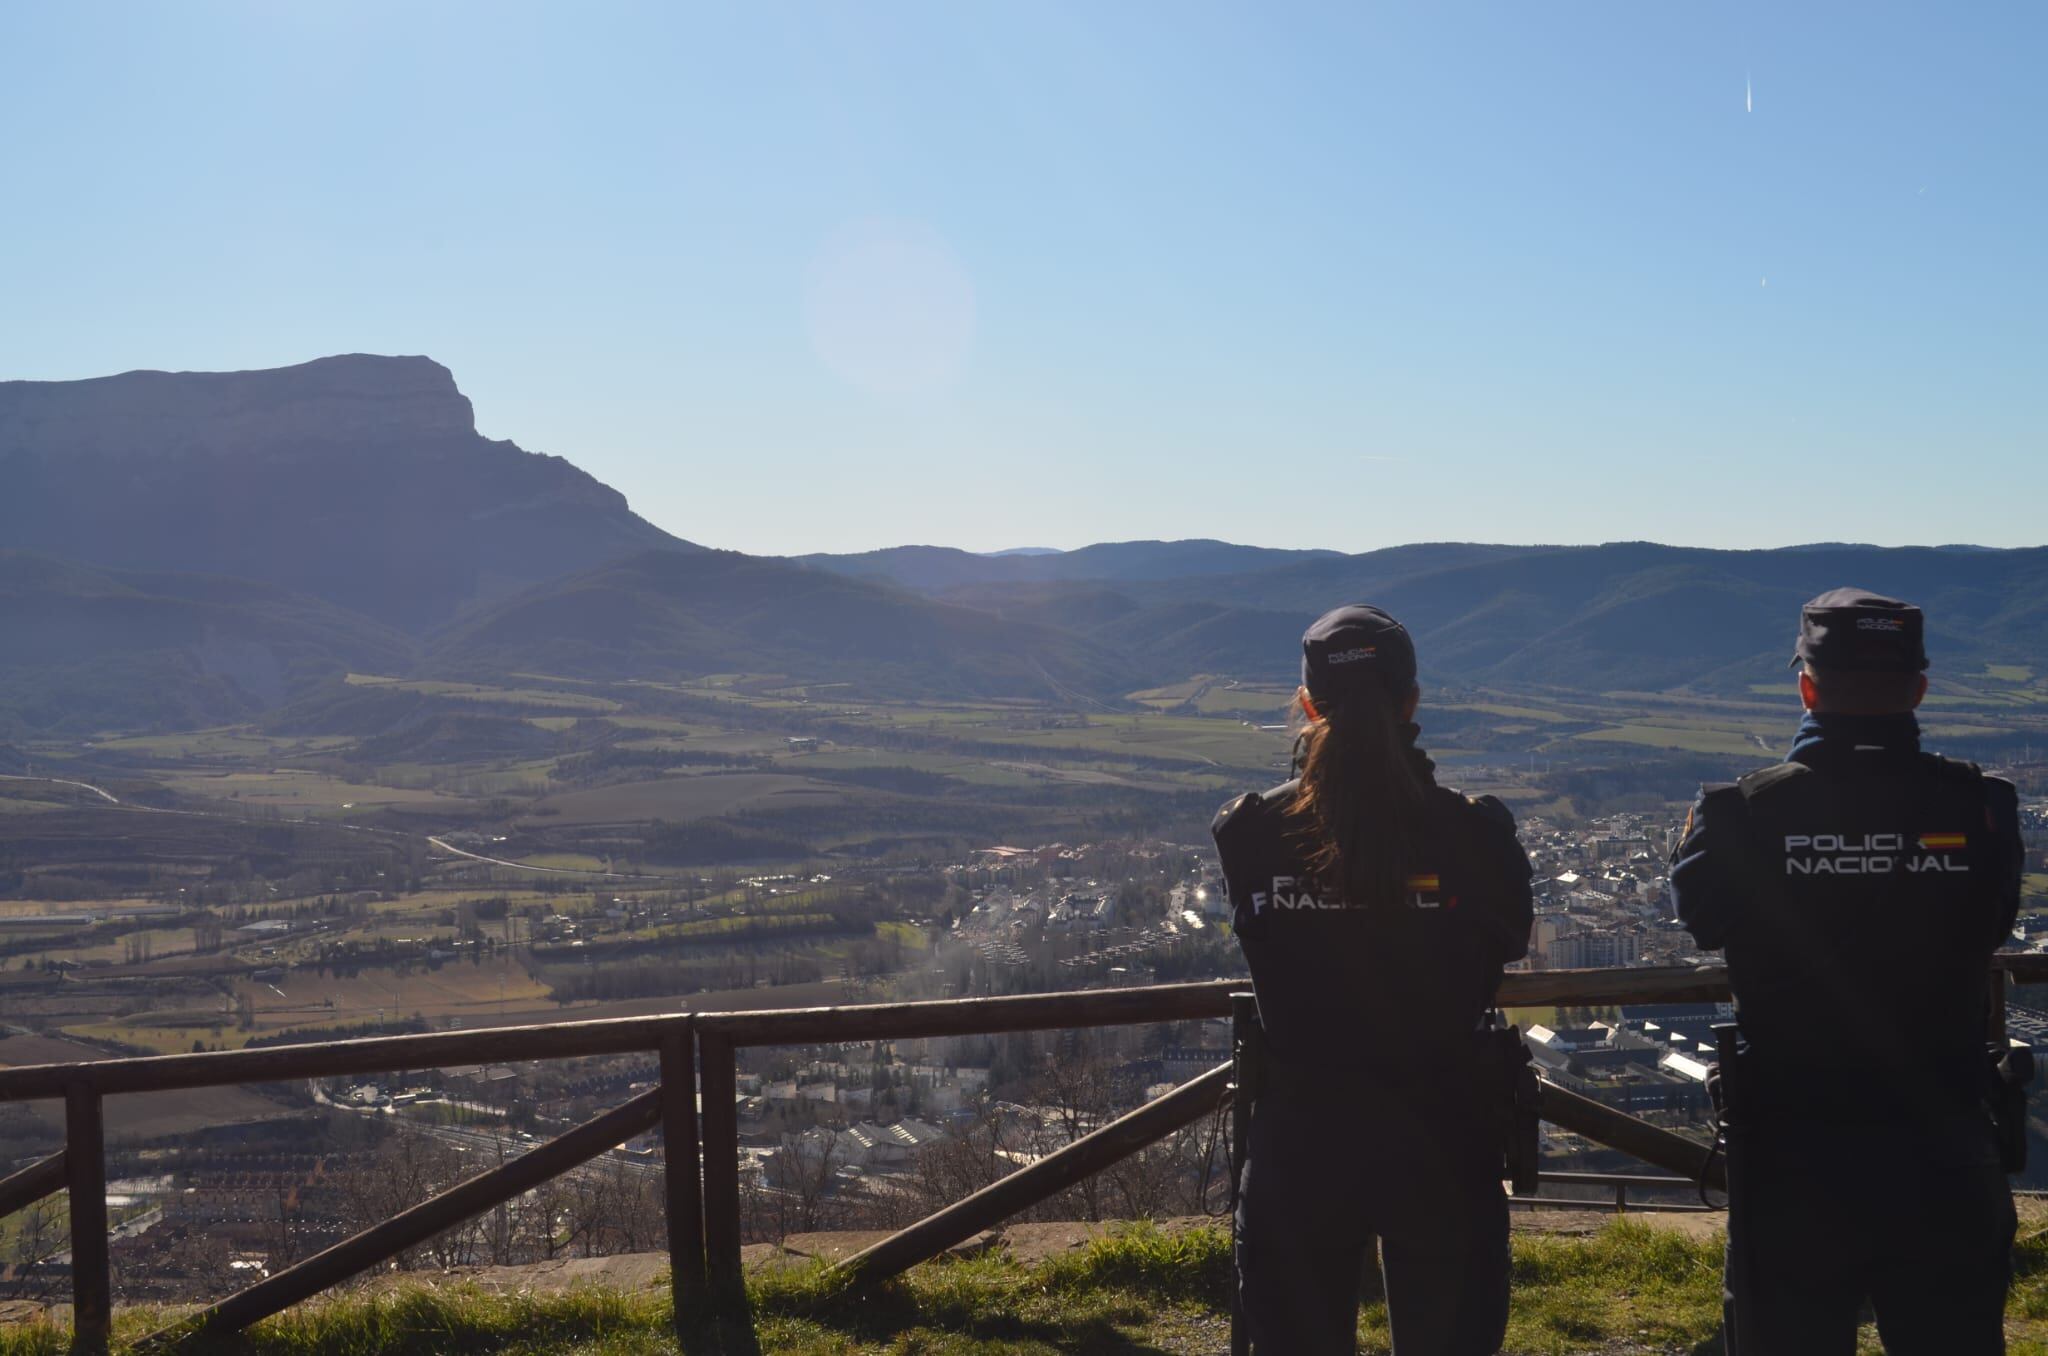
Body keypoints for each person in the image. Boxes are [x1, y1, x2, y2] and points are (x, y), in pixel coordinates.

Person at [1671, 588, 2026, 1356]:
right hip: (1946, 1142)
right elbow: (1993, 925)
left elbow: (1701, 920)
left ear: (1806, 688)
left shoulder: (1738, 815)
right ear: (1920, 690)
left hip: (1793, 1156)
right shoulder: (1985, 808)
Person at [1212, 604, 1534, 1356]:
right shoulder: (1477, 836)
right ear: (1413, 701)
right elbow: (1508, 942)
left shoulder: (1252, 833)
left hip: (1302, 1138)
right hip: (1446, 1133)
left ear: (1308, 705)